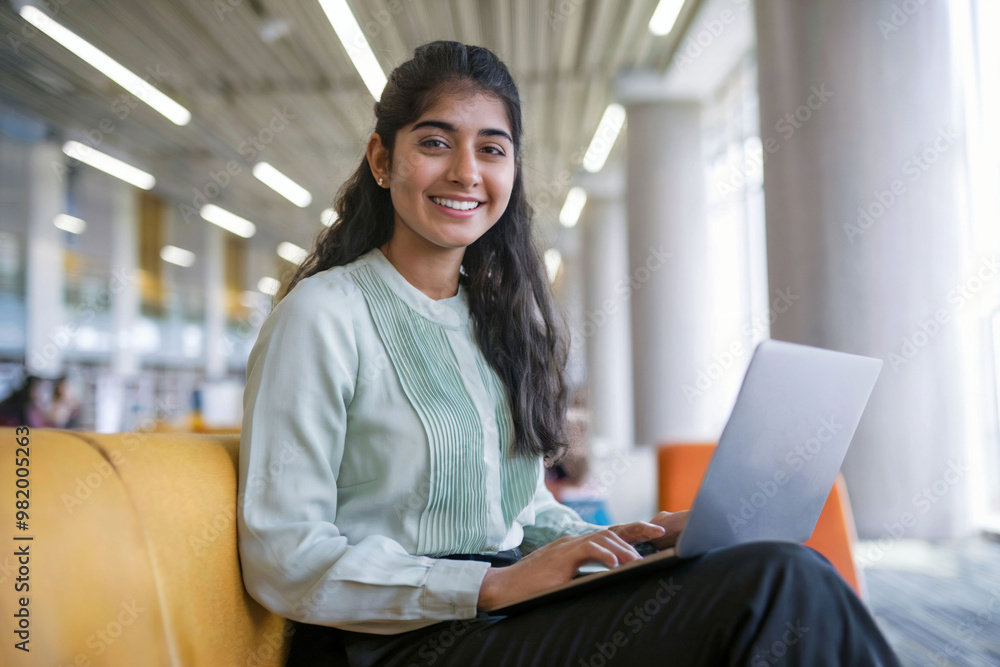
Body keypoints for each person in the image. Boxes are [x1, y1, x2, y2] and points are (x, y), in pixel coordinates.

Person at [236, 40, 902, 666]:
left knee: (771, 568)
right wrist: (486, 587)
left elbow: (514, 515)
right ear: (383, 160)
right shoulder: (323, 316)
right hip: (390, 645)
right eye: (436, 142)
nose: (466, 171)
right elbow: (282, 554)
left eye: (492, 149)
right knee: (774, 583)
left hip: (496, 615)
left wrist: (632, 541)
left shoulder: (490, 320)